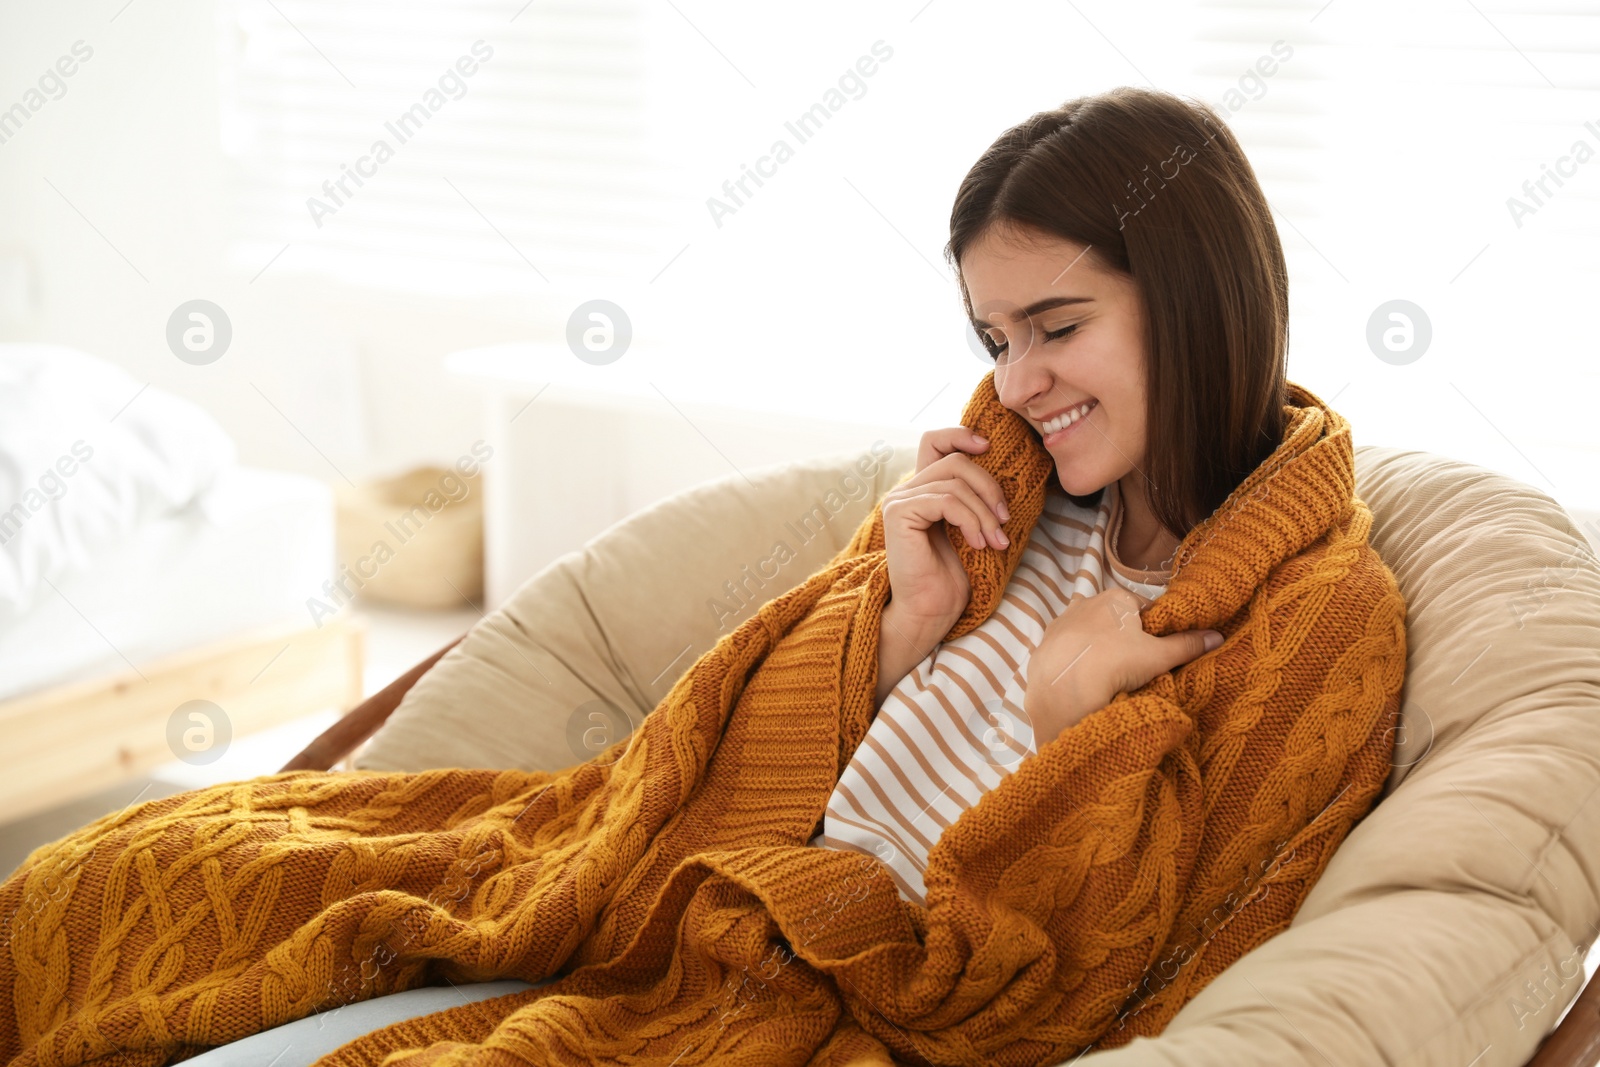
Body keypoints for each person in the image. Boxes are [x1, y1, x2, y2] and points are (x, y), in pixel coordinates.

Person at [815, 85, 1293, 904]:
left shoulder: (1305, 613)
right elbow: (739, 770)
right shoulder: (998, 492)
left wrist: (1066, 721)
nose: (1013, 384)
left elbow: (1141, 963)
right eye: (998, 339)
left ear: (1197, 302)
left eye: (1061, 327)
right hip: (749, 901)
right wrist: (906, 625)